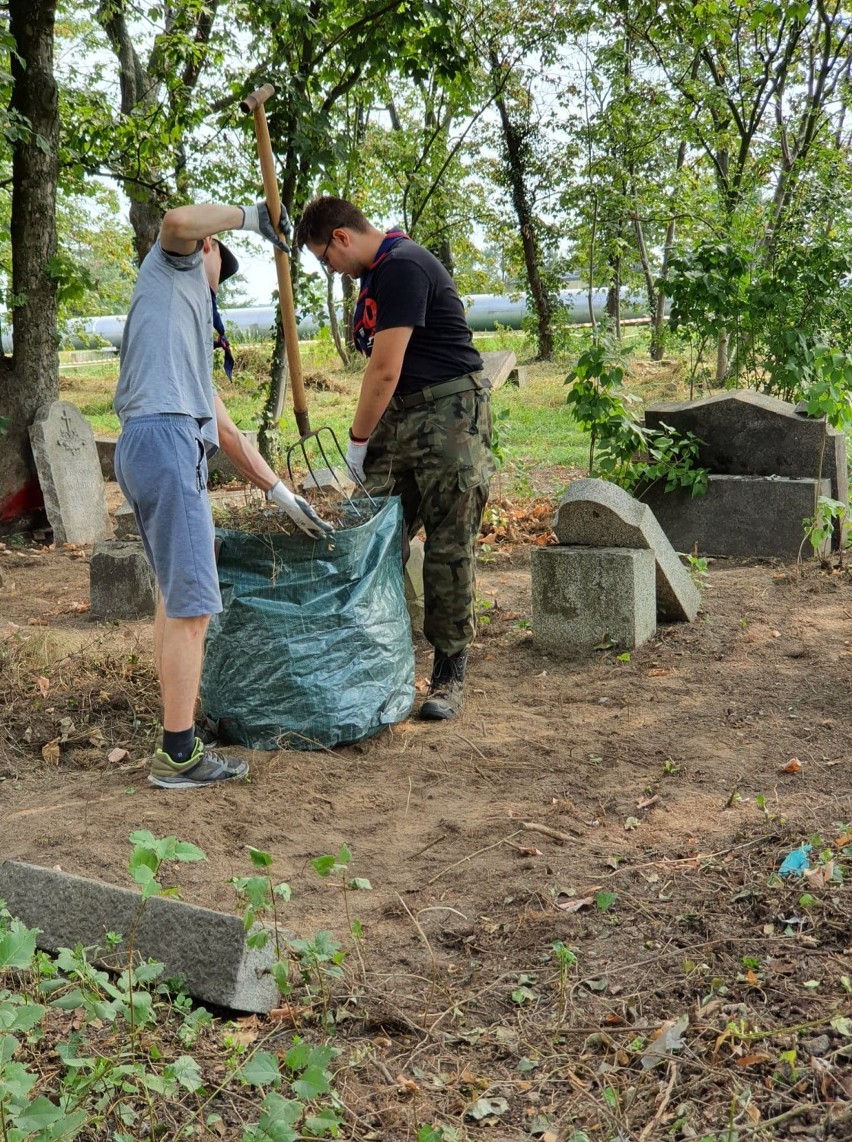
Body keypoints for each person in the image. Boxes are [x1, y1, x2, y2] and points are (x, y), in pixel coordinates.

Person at [114, 201, 330, 789]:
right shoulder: (174, 267)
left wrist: (283, 495)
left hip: (151, 441)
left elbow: (229, 433)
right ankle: (178, 754)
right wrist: (251, 218)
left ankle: (175, 732)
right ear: (208, 251)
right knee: (193, 604)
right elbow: (177, 223)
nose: (219, 287)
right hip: (163, 437)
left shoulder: (183, 333)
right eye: (222, 271)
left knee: (176, 593)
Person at [295, 197, 495, 720]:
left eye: (324, 258)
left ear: (340, 237)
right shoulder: (378, 274)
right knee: (372, 535)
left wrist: (356, 447)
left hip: (450, 414)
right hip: (404, 415)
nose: (330, 269)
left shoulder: (403, 266)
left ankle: (449, 673)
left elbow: (384, 369)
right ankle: (376, 653)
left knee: (449, 546)